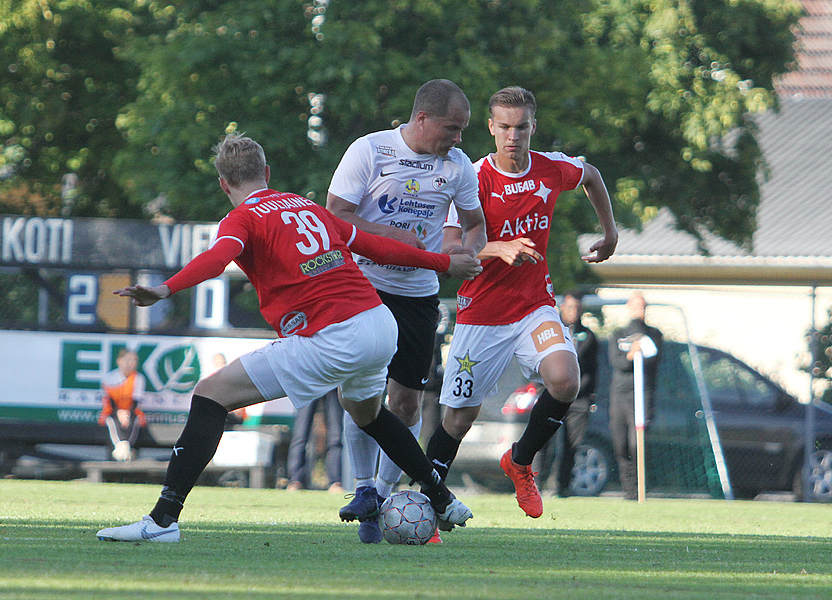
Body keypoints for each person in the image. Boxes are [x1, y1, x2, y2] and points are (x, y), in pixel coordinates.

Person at [96, 133, 479, 542]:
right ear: (266, 173)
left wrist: (165, 289)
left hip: (334, 335)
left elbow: (217, 258)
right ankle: (441, 498)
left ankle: (162, 520)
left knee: (210, 393)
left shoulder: (243, 217)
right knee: (366, 413)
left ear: (224, 184)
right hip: (378, 323)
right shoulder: (305, 205)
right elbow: (377, 248)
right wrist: (443, 262)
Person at [422, 86, 618, 520]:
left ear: (533, 126)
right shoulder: (471, 178)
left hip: (534, 306)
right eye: (505, 127)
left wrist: (610, 232)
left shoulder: (551, 169)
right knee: (458, 418)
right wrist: (497, 248)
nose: (513, 135)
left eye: (522, 127)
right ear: (491, 128)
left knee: (566, 380)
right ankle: (427, 503)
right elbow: (450, 246)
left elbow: (592, 176)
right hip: (481, 314)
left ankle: (520, 461)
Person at [327, 78, 487, 543]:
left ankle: (380, 493)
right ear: (422, 119)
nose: (458, 139)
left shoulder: (457, 167)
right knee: (361, 392)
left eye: (462, 130)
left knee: (407, 401)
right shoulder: (371, 150)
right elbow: (334, 214)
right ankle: (360, 486)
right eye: (452, 128)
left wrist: (469, 252)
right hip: (363, 286)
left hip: (419, 294)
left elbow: (474, 223)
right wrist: (392, 238)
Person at [608, 292, 664, 501]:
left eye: (641, 306)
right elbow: (617, 362)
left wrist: (641, 347)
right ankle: (628, 490)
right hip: (619, 394)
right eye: (635, 305)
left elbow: (654, 359)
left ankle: (640, 489)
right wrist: (631, 354)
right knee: (620, 443)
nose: (638, 310)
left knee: (637, 442)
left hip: (642, 394)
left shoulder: (654, 334)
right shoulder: (618, 334)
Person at [546, 292, 599, 497]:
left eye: (577, 307)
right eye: (570, 307)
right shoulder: (552, 332)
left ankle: (562, 486)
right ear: (562, 308)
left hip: (579, 399)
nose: (574, 312)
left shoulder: (589, 336)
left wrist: (587, 393)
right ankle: (537, 483)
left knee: (571, 444)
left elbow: (592, 369)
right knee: (547, 442)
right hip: (554, 396)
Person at [285, 388, 343, 493]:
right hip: (310, 381)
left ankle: (335, 482)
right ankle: (295, 480)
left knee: (336, 436)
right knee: (301, 434)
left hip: (333, 381)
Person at [98, 349, 148, 462]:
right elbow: (109, 400)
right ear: (119, 361)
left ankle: (123, 449)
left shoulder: (138, 378)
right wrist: (119, 412)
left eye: (134, 360)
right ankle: (122, 449)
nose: (131, 363)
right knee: (112, 421)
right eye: (128, 359)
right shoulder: (110, 377)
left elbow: (135, 402)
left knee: (134, 421)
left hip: (131, 411)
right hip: (112, 410)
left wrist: (126, 412)